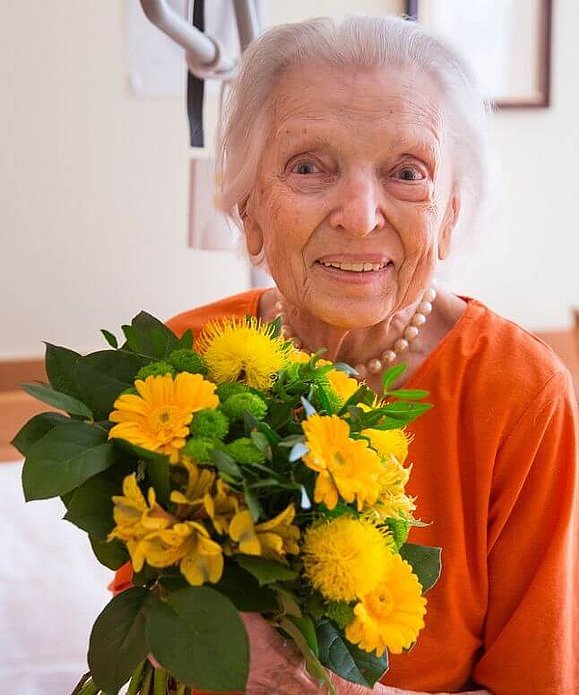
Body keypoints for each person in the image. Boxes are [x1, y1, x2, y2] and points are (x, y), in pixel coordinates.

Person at [112, 15, 578, 694]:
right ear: (247, 208)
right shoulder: (182, 364)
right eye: (309, 166)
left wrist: (319, 686)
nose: (359, 215)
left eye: (406, 171)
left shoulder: (519, 392)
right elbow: (138, 624)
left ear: (447, 214)